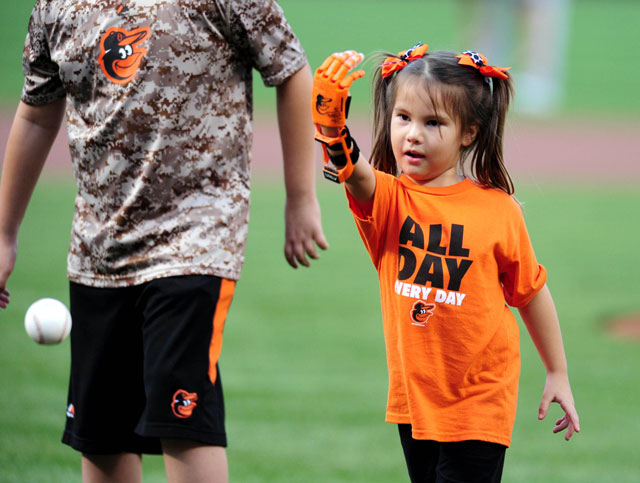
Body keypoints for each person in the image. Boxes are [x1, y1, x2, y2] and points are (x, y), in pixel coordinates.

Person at [0, 1, 327, 482]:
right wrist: (5, 232)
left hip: (196, 237)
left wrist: (301, 198)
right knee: (102, 435)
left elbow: (292, 70)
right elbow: (35, 116)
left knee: (185, 419)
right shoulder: (55, 7)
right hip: (98, 247)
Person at [311, 44, 580, 482]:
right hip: (414, 400)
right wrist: (332, 130)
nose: (412, 134)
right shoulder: (391, 199)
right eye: (404, 118)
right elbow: (356, 175)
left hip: (479, 400)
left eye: (433, 122)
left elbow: (531, 293)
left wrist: (557, 370)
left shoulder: (499, 210)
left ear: (469, 132)